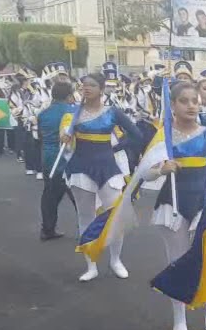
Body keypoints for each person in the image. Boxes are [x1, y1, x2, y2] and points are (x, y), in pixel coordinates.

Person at [147, 80, 206, 330]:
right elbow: (143, 173)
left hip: (203, 202)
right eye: (184, 101)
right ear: (173, 105)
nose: (191, 105)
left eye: (194, 100)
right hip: (173, 203)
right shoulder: (162, 135)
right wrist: (160, 169)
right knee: (176, 261)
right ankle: (179, 319)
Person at [63, 73, 142, 282]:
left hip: (108, 167)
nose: (86, 88)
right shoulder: (73, 114)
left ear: (101, 89)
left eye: (91, 85)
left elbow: (137, 134)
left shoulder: (112, 112)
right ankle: (91, 265)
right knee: (85, 216)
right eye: (83, 85)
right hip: (80, 167)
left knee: (116, 214)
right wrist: (66, 139)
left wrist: (116, 146)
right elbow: (66, 145)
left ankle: (116, 260)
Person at [37, 80, 77, 241]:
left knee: (49, 196)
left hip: (48, 158)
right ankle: (89, 230)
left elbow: (40, 136)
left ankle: (47, 229)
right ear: (69, 96)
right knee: (80, 197)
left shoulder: (43, 114)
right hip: (69, 158)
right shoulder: (74, 112)